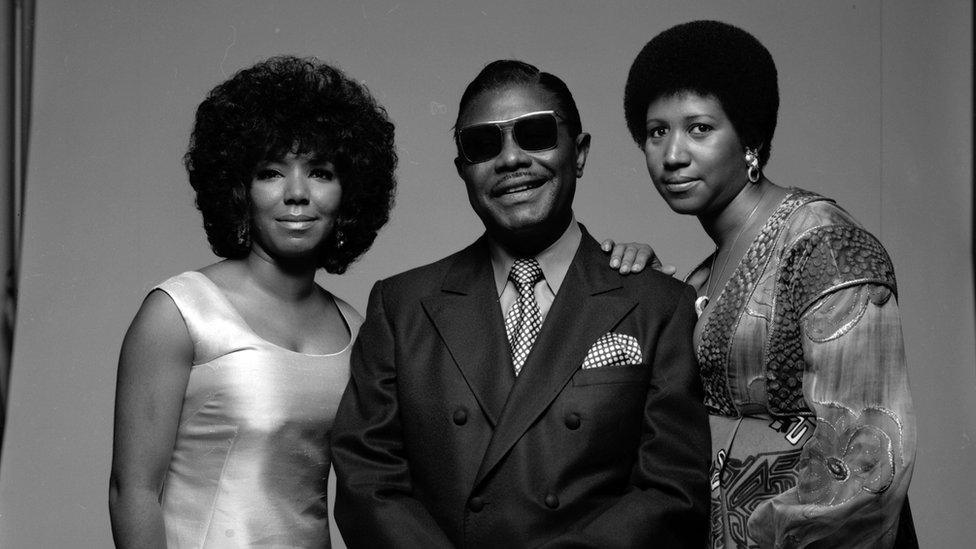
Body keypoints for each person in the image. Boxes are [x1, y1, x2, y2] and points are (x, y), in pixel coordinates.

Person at [331, 59, 710, 548]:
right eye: (483, 145)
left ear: (580, 153)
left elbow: (672, 490)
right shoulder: (401, 305)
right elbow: (368, 480)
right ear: (463, 171)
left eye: (535, 134)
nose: (510, 159)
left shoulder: (659, 304)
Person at [623, 20, 916, 548]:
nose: (672, 156)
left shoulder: (824, 246)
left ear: (751, 137)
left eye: (700, 128)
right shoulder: (702, 273)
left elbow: (868, 464)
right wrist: (650, 293)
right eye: (656, 131)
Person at [108, 55, 397, 548]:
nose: (297, 194)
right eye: (271, 172)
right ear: (240, 188)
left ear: (348, 191)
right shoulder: (180, 313)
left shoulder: (358, 330)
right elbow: (132, 491)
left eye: (321, 172)